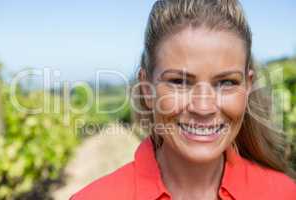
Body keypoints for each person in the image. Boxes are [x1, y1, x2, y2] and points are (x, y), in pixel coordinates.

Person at [71, 0, 296, 199]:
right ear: (147, 89)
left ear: (248, 86)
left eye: (226, 83)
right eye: (179, 82)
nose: (204, 107)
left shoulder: (284, 193)